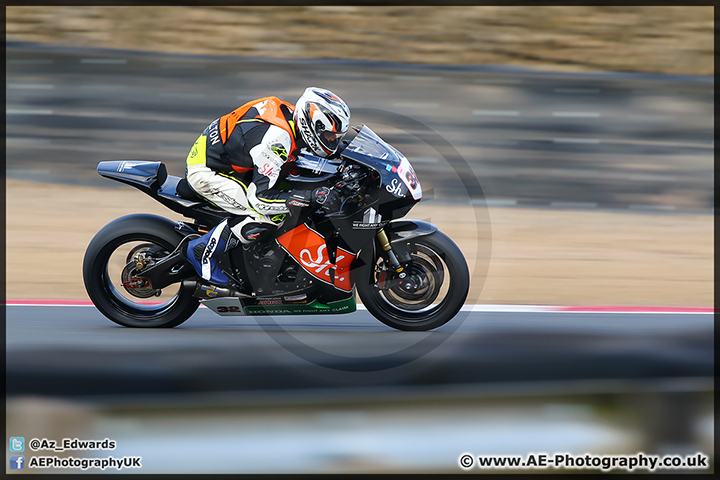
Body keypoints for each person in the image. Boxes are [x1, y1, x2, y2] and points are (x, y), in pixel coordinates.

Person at [182, 87, 351, 286]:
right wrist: (310, 196)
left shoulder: (293, 118)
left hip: (232, 162)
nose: (333, 140)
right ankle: (201, 251)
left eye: (338, 137)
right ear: (312, 126)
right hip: (208, 171)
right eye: (330, 136)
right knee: (267, 214)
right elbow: (260, 198)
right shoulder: (276, 140)